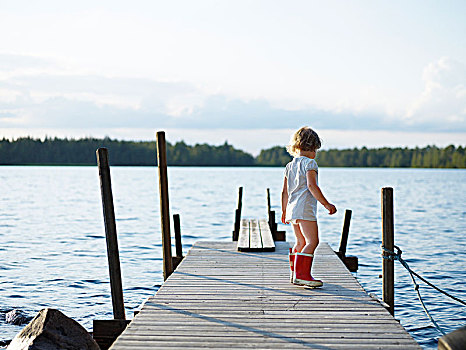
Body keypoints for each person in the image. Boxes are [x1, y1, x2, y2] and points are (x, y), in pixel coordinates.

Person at [281, 126, 337, 287]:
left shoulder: (289, 166)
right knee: (312, 241)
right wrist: (327, 204)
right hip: (305, 208)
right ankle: (303, 275)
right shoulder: (310, 163)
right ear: (313, 147)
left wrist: (284, 211)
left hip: (292, 209)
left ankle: (294, 274)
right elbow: (312, 187)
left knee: (300, 242)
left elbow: (285, 191)